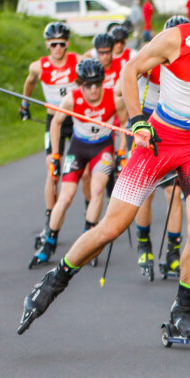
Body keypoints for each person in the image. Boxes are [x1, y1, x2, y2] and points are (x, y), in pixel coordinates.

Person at [17, 0, 190, 338]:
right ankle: (53, 282)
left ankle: (183, 312)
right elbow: (131, 71)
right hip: (160, 142)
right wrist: (138, 121)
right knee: (111, 227)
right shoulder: (175, 40)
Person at [30, 59, 127, 268]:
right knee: (65, 197)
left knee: (98, 189)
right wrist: (56, 155)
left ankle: (89, 239)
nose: (93, 90)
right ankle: (49, 242)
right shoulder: (71, 99)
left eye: (97, 84)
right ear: (79, 84)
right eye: (87, 85)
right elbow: (55, 123)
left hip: (102, 148)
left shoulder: (114, 98)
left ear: (102, 82)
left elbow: (125, 124)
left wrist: (121, 152)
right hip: (78, 148)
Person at [114, 15, 190, 279]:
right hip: (147, 127)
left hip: (173, 131)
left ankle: (172, 253)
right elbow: (119, 88)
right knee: (146, 193)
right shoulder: (152, 58)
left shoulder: (189, 62)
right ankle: (144, 244)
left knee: (173, 192)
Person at [21, 22, 83, 248]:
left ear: (67, 44)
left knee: (83, 172)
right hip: (53, 122)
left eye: (62, 44)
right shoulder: (39, 66)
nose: (58, 49)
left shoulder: (77, 61)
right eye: (54, 44)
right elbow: (29, 82)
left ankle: (90, 219)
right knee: (52, 169)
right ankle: (50, 220)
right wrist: (24, 104)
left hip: (75, 120)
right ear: (47, 44)